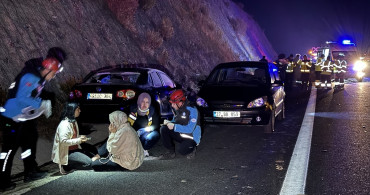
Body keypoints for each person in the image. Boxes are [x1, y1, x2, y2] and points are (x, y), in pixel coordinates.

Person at [0, 47, 66, 191]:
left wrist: (44, 102)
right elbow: (22, 97)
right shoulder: (31, 77)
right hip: (12, 117)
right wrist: (41, 104)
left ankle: (30, 171)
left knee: (29, 140)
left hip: (22, 117)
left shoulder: (39, 77)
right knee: (8, 150)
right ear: (48, 69)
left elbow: (31, 95)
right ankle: (2, 181)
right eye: (54, 73)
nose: (54, 77)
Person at [51, 102, 98, 174]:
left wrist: (80, 137)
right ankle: (67, 165)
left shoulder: (73, 121)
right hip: (68, 152)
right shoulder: (64, 124)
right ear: (72, 110)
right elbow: (63, 141)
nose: (80, 111)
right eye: (77, 109)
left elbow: (72, 136)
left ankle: (77, 161)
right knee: (90, 164)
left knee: (93, 152)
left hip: (75, 148)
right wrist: (79, 140)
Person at [159, 89, 201, 160]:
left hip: (191, 137)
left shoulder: (192, 110)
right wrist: (169, 122)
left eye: (173, 103)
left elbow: (190, 129)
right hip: (182, 134)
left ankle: (192, 148)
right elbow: (176, 120)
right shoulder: (178, 109)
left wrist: (174, 126)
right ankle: (170, 152)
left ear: (180, 102)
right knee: (164, 129)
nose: (172, 105)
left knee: (182, 151)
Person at [127, 92, 160, 157]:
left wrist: (144, 130)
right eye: (143, 101)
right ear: (139, 101)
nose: (145, 104)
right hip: (132, 134)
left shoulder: (152, 111)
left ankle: (144, 149)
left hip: (145, 134)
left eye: (147, 102)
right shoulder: (132, 109)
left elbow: (156, 125)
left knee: (155, 135)